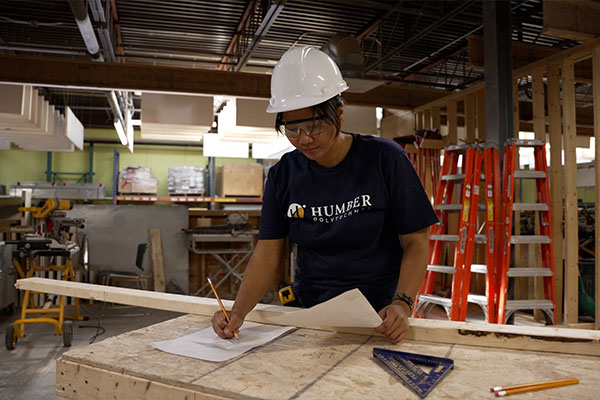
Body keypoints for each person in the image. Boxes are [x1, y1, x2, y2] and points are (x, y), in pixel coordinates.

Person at [211, 46, 437, 344]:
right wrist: (238, 312)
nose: (304, 139)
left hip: (379, 312)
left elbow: (417, 241)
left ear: (339, 115)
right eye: (291, 129)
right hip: (310, 310)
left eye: (315, 125)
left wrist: (402, 303)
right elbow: (268, 251)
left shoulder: (385, 159)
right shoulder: (283, 175)